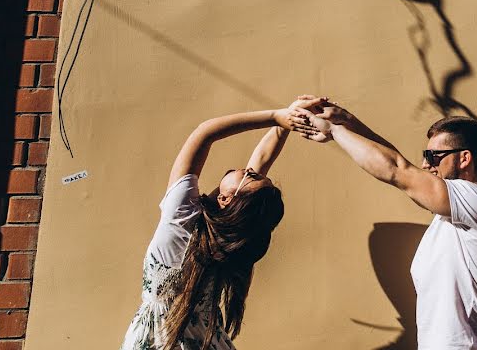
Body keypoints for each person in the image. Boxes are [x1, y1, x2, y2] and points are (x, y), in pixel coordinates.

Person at [290, 102, 477, 350]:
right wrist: (349, 121)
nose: (426, 165)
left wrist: (335, 131)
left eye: (433, 156)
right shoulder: (452, 216)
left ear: (464, 158)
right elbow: (400, 166)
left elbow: (397, 170)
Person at [120, 96, 325, 350]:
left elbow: (204, 134)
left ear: (227, 200)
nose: (248, 169)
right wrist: (288, 120)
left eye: (249, 176)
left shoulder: (181, 217)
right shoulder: (232, 241)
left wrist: (275, 116)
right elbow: (261, 160)